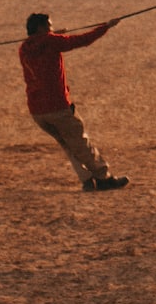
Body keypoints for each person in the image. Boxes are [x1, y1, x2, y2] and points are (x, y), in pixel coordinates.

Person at [20, 12, 128, 191]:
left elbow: (46, 43)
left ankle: (87, 180)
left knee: (68, 144)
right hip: (57, 106)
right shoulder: (51, 42)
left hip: (37, 110)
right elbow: (82, 40)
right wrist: (106, 27)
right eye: (49, 26)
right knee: (81, 142)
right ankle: (104, 177)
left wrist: (53, 36)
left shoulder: (24, 48)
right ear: (41, 28)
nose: (52, 28)